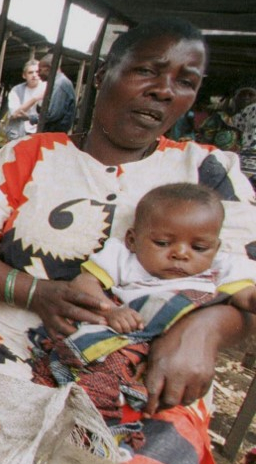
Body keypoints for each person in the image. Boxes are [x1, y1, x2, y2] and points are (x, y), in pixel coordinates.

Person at [0, 18, 255, 464]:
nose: (165, 90)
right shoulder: (32, 156)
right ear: (101, 75)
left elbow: (246, 283)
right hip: (16, 343)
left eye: (186, 81)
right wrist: (36, 294)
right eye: (147, 70)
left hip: (151, 372)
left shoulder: (207, 171)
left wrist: (204, 330)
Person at [31, 183, 256, 433]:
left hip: (177, 352)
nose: (180, 254)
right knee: (98, 372)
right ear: (133, 240)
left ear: (215, 248)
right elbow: (84, 282)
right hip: (128, 336)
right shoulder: (125, 258)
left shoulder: (223, 268)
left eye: (199, 248)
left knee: (158, 399)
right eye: (162, 243)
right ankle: (91, 419)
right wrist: (109, 311)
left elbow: (246, 299)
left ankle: (126, 421)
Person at [3, 60, 46, 141]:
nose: (34, 75)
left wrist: (29, 116)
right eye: (30, 72)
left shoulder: (47, 88)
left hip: (39, 133)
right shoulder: (16, 90)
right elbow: (15, 114)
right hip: (19, 133)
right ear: (24, 75)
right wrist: (35, 99)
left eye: (37, 72)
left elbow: (50, 115)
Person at [34, 53, 76, 133]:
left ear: (49, 68)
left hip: (53, 135)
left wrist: (31, 118)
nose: (38, 74)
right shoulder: (57, 83)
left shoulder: (60, 84)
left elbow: (52, 114)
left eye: (40, 70)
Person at [232, 86, 256, 183]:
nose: (246, 97)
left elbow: (236, 124)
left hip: (249, 157)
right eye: (243, 95)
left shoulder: (248, 109)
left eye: (251, 95)